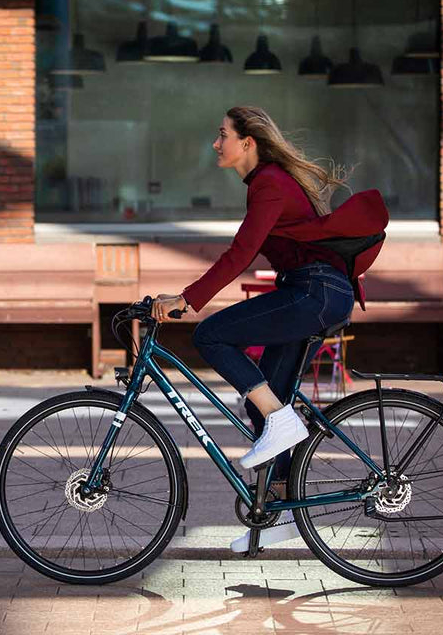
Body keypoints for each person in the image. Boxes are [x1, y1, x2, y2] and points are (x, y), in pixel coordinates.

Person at [150, 106, 357, 552]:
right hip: (315, 292)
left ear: (247, 142)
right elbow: (245, 253)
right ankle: (281, 514)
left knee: (210, 335)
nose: (215, 143)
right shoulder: (267, 183)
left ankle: (283, 422)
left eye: (222, 134)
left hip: (314, 293)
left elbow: (240, 252)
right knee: (264, 404)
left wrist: (187, 301)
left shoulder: (268, 184)